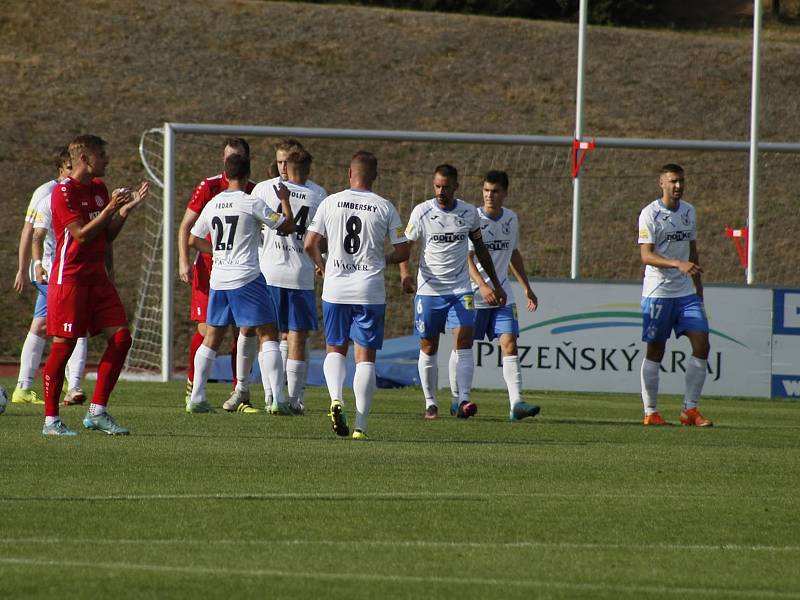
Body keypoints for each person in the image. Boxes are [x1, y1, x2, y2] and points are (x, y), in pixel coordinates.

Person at [41, 134, 149, 436]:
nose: (107, 160)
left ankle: (98, 411)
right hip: (70, 280)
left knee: (121, 339)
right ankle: (51, 420)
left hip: (97, 279)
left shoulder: (100, 188)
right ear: (86, 159)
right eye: (102, 154)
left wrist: (124, 210)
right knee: (63, 348)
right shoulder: (62, 192)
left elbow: (106, 235)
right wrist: (110, 208)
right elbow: (81, 235)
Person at [304, 151, 409, 440]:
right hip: (369, 289)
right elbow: (404, 250)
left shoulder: (330, 202)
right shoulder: (384, 207)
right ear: (375, 175)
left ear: (350, 173)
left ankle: (336, 399)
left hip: (336, 287)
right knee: (365, 358)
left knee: (335, 348)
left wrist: (322, 266)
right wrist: (383, 260)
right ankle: (361, 426)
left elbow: (309, 244)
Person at [186, 154, 295, 413]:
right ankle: (278, 399)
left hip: (219, 279)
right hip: (246, 277)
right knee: (268, 333)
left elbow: (193, 239)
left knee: (211, 338)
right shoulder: (251, 202)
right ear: (247, 176)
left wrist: (217, 252)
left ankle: (197, 397)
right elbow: (286, 226)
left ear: (225, 174)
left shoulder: (213, 204)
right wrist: (284, 200)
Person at [399, 164, 506, 420]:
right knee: (428, 345)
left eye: (446, 187)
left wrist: (495, 282)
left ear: (456, 187)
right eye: (437, 186)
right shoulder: (422, 211)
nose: (440, 191)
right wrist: (404, 274)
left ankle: (463, 399)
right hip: (429, 290)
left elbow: (480, 249)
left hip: (460, 289)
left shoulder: (469, 213)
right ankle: (430, 403)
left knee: (465, 341)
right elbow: (405, 246)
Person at [178, 138, 254, 409]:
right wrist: (183, 261)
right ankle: (193, 383)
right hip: (209, 270)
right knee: (207, 329)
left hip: (241, 272)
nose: (230, 160)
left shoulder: (253, 192)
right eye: (227, 156)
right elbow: (187, 227)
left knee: (242, 330)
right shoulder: (209, 187)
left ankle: (239, 392)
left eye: (236, 156)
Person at [252, 148, 327, 415]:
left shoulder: (264, 189)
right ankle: (295, 401)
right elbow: (319, 238)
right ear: (307, 169)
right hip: (300, 273)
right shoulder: (318, 194)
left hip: (269, 270)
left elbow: (253, 227)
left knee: (268, 335)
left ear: (286, 167)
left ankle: (271, 396)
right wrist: (322, 262)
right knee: (296, 335)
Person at [12, 146, 89, 407]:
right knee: (75, 324)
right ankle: (74, 385)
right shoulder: (46, 194)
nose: (73, 173)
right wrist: (26, 268)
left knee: (42, 324)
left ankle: (23, 386)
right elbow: (30, 232)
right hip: (50, 270)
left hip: (67, 269)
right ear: (61, 169)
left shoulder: (80, 192)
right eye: (69, 168)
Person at [638, 163, 712, 427]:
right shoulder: (650, 214)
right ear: (661, 183)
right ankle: (651, 412)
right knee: (656, 349)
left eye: (681, 181)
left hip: (685, 292)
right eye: (672, 181)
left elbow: (692, 250)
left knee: (702, 343)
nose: (678, 186)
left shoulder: (689, 211)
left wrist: (698, 284)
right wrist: (676, 264)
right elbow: (646, 255)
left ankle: (689, 410)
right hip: (658, 292)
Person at [464, 170, 541, 421]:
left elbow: (513, 253)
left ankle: (516, 402)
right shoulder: (472, 217)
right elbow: (467, 259)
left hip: (503, 294)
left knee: (510, 343)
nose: (489, 195)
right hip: (475, 294)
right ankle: (460, 398)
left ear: (505, 193)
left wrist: (526, 287)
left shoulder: (511, 218)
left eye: (495, 191)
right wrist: (483, 287)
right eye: (486, 190)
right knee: (463, 345)